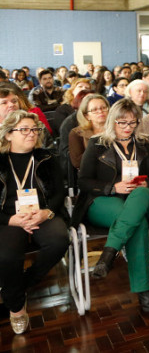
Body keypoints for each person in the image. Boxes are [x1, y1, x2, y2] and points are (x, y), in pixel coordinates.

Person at [72, 99, 149, 313]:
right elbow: (83, 181)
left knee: (140, 197)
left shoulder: (145, 143)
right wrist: (113, 188)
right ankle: (144, 291)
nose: (127, 128)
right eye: (122, 123)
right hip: (106, 201)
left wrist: (147, 183)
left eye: (132, 123)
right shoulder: (97, 144)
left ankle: (109, 252)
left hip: (143, 197)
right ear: (112, 121)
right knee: (137, 221)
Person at [0, 110, 68, 335]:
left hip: (41, 213)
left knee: (59, 240)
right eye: (24, 129)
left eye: (35, 130)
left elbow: (60, 192)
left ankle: (21, 286)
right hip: (8, 218)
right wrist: (11, 219)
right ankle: (17, 308)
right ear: (8, 134)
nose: (32, 134)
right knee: (8, 255)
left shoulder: (47, 157)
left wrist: (46, 213)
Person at [69, 94, 110, 170]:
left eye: (103, 108)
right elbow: (77, 162)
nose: (100, 111)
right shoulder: (77, 133)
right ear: (87, 116)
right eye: (94, 110)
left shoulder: (117, 129)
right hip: (92, 173)